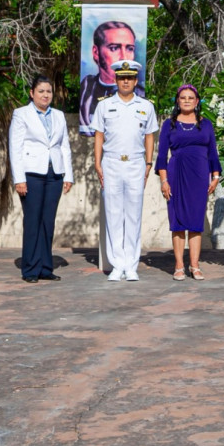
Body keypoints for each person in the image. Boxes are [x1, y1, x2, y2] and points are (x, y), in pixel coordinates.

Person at [91, 60, 159, 281]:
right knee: (113, 213)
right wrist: (97, 162)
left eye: (130, 77)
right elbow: (99, 135)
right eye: (122, 77)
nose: (126, 81)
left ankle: (131, 265)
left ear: (136, 80)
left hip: (136, 163)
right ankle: (116, 265)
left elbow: (150, 135)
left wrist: (148, 163)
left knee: (133, 214)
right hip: (111, 163)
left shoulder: (146, 106)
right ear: (116, 80)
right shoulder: (104, 105)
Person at [9, 75, 74, 283]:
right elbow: (15, 147)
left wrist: (68, 174)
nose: (45, 95)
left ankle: (46, 267)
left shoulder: (59, 115)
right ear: (32, 93)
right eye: (41, 91)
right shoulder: (21, 114)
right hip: (31, 175)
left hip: (54, 174)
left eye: (49, 91)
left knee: (48, 221)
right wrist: (19, 179)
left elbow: (64, 146)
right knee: (33, 221)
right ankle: (30, 269)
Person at [156, 84, 222, 281]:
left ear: (196, 101)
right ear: (177, 100)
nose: (186, 100)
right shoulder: (169, 124)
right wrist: (164, 180)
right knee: (177, 222)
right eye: (183, 97)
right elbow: (161, 156)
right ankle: (178, 265)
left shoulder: (206, 124)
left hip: (200, 176)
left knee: (195, 222)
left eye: (190, 97)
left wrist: (216, 176)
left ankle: (194, 265)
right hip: (176, 175)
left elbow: (212, 152)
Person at [79, 20, 146, 130]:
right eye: (114, 48)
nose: (123, 56)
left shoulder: (141, 96)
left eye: (130, 49)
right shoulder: (86, 88)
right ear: (96, 52)